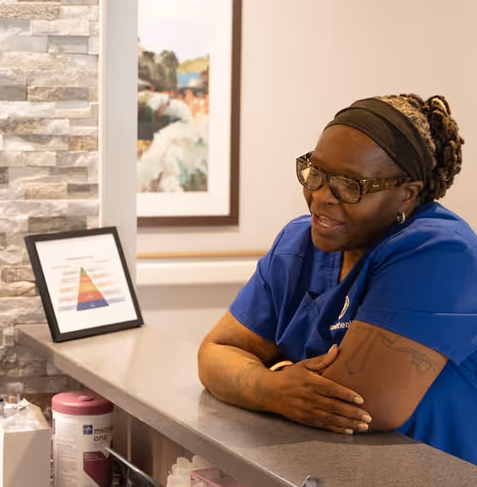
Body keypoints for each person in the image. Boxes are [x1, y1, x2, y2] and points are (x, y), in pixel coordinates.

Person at [198, 93, 477, 464]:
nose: (319, 197)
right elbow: (213, 354)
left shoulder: (439, 251)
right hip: (331, 478)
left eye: (350, 184)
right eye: (316, 172)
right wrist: (272, 386)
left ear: (406, 195)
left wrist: (269, 368)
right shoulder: (297, 244)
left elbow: (355, 403)